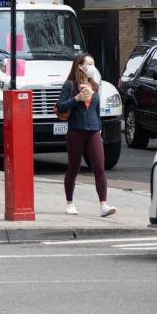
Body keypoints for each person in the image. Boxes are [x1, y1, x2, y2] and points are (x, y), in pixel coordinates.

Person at [56, 53, 116, 217]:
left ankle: (103, 204)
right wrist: (76, 98)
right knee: (73, 168)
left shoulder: (95, 85)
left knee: (99, 168)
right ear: (80, 66)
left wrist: (100, 129)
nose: (92, 67)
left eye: (93, 63)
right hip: (76, 131)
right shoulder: (70, 85)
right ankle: (70, 202)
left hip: (94, 131)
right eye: (89, 63)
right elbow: (60, 106)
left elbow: (96, 110)